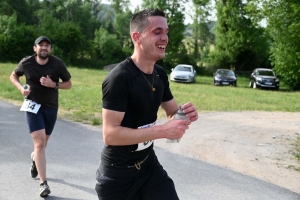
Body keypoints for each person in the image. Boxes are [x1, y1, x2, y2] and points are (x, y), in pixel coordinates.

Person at [95, 9, 198, 200]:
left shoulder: (159, 74)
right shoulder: (119, 78)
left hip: (149, 168)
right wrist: (162, 131)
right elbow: (110, 135)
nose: (165, 37)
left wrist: (184, 114)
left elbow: (172, 113)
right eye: (157, 32)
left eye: (166, 32)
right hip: (118, 177)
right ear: (137, 37)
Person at [10, 36, 72, 197]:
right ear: (34, 48)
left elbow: (69, 84)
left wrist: (55, 85)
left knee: (42, 145)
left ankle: (34, 159)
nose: (44, 48)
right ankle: (43, 184)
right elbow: (13, 76)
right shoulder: (26, 62)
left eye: (47, 45)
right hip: (32, 106)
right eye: (40, 45)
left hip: (50, 108)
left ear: (50, 49)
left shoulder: (57, 64)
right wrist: (21, 89)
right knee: (39, 143)